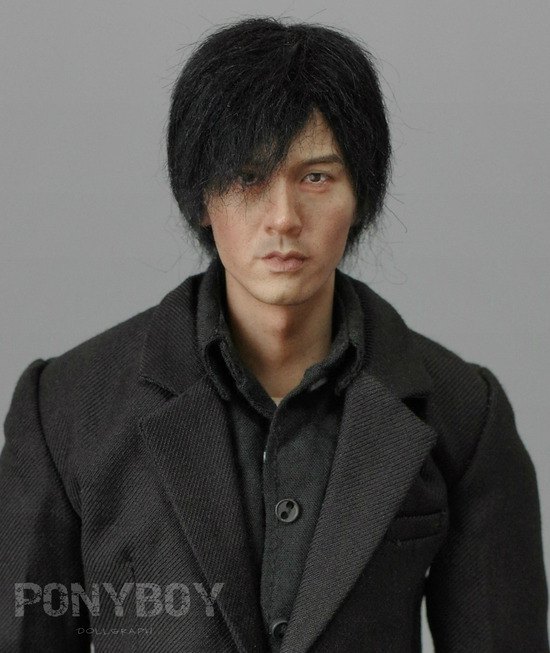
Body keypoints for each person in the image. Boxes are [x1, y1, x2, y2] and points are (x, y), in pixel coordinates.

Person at [0, 16, 547, 653]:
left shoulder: (463, 411)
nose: (283, 218)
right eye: (249, 177)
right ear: (201, 198)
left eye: (316, 177)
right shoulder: (66, 409)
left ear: (361, 196)